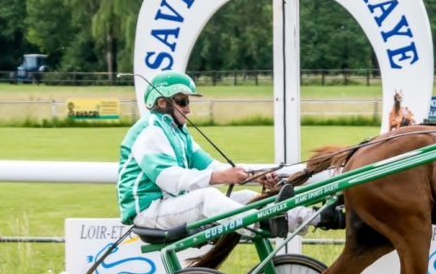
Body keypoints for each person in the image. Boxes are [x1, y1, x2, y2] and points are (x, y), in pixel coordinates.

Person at [117, 71, 311, 234]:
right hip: (148, 211)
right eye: (183, 101)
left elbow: (212, 167)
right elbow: (169, 179)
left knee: (244, 197)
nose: (188, 109)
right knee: (207, 198)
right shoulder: (150, 131)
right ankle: (265, 223)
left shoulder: (177, 132)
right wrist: (222, 177)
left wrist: (254, 176)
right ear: (161, 102)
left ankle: (311, 217)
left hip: (171, 205)